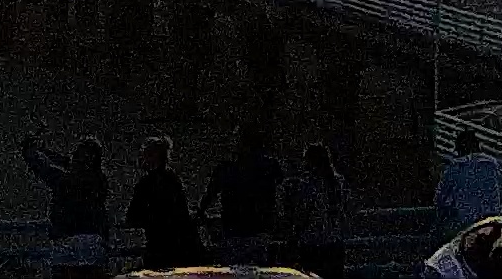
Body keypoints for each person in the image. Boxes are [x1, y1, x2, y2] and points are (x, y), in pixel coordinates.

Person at [20, 134, 111, 279]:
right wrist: (44, 151)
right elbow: (63, 164)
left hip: (69, 239)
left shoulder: (68, 181)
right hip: (95, 239)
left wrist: (32, 154)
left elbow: (48, 171)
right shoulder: (99, 180)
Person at [205, 119, 286, 263]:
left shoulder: (228, 169)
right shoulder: (270, 167)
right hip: (259, 229)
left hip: (234, 229)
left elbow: (210, 194)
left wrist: (201, 213)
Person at [124, 135, 199, 269]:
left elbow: (132, 216)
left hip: (157, 245)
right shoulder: (174, 180)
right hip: (179, 245)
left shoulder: (146, 184)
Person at [289, 141, 354, 279]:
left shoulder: (309, 185)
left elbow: (302, 213)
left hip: (313, 242)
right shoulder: (340, 183)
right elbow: (347, 211)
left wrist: (295, 234)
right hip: (335, 242)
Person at [437, 124, 502, 230]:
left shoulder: (455, 167)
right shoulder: (491, 164)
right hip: (492, 218)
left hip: (467, 220)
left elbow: (441, 196)